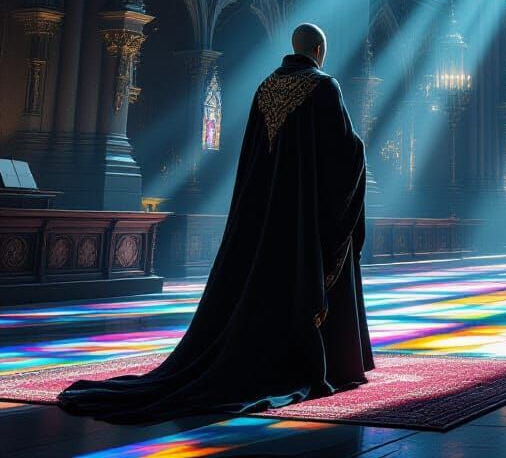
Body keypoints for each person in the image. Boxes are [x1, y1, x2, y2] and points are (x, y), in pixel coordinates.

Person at [57, 24, 373, 423]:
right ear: (318, 49)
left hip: (260, 221)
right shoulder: (325, 87)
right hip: (302, 222)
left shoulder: (265, 87)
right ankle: (323, 361)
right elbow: (345, 154)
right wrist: (361, 152)